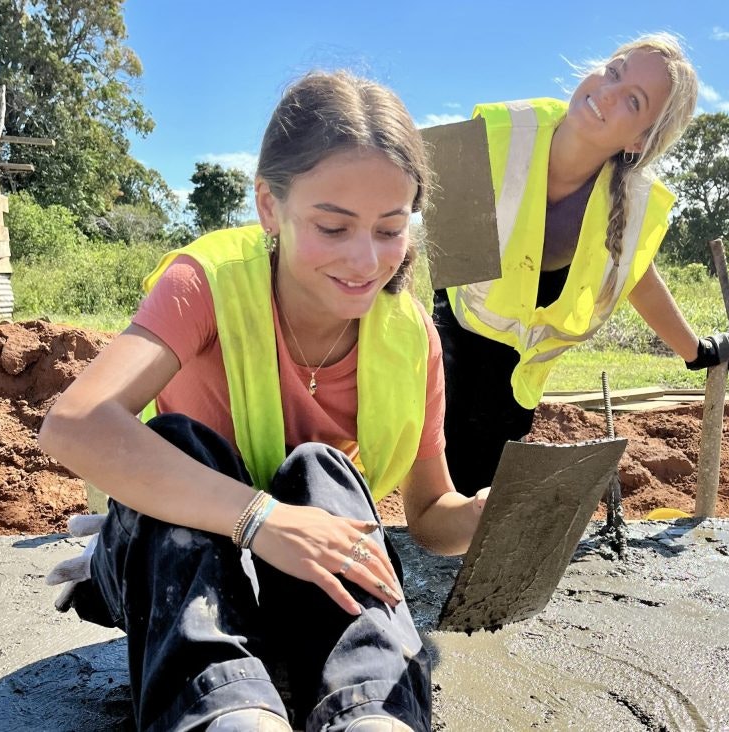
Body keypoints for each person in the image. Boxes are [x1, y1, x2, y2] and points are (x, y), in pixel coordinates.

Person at [39, 71, 484, 732]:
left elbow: (428, 514)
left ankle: (370, 711)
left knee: (323, 472)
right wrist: (259, 520)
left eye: (391, 230)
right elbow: (73, 426)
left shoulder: (407, 335)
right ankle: (225, 711)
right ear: (270, 207)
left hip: (299, 576)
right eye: (333, 227)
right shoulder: (209, 283)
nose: (366, 260)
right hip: (183, 552)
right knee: (182, 443)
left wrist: (483, 518)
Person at [433, 32, 729, 496]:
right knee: (437, 479)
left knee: (478, 511)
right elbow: (443, 278)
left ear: (640, 139)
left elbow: (636, 278)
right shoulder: (492, 138)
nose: (606, 92)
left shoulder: (623, 207)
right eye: (615, 71)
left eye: (633, 100)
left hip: (515, 385)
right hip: (454, 348)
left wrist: (698, 351)